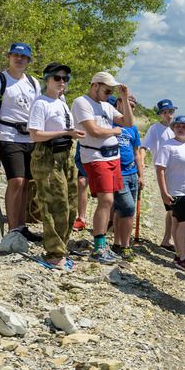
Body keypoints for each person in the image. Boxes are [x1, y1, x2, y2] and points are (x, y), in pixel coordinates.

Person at [71, 72, 135, 264]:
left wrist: (123, 98)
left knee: (110, 200)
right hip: (96, 157)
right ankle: (99, 247)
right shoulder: (81, 103)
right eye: (107, 90)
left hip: (113, 157)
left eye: (112, 91)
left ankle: (105, 244)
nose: (109, 94)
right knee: (106, 199)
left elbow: (129, 123)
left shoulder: (107, 105)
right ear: (95, 85)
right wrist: (115, 131)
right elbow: (94, 131)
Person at [27, 62, 85, 269]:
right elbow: (35, 134)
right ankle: (53, 254)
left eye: (65, 79)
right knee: (54, 206)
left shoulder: (61, 102)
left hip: (65, 155)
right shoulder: (41, 103)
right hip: (47, 156)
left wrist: (73, 133)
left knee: (70, 205)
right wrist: (65, 133)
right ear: (47, 80)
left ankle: (61, 249)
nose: (62, 82)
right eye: (57, 78)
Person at [0, 42, 41, 239]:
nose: (19, 59)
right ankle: (12, 229)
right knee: (15, 181)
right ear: (8, 57)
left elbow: (38, 111)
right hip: (8, 136)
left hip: (30, 138)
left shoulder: (34, 82)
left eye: (23, 56)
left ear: (29, 60)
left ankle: (21, 226)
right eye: (15, 55)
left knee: (26, 182)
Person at [155, 115, 185, 272]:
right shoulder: (167, 146)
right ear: (173, 128)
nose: (181, 128)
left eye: (184, 126)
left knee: (178, 222)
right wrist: (164, 192)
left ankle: (179, 254)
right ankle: (184, 258)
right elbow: (160, 170)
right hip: (175, 191)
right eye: (178, 126)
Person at [110, 94, 145, 260]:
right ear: (118, 103)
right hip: (117, 174)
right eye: (126, 104)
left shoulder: (133, 128)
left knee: (120, 210)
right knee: (129, 209)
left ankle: (117, 243)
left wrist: (141, 175)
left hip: (132, 174)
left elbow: (136, 152)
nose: (129, 108)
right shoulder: (110, 122)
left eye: (132, 106)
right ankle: (126, 245)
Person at [142, 98, 177, 251]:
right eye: (165, 112)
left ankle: (167, 239)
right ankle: (170, 239)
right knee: (171, 207)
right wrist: (141, 163)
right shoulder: (155, 129)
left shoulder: (176, 128)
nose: (168, 115)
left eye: (170, 112)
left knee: (172, 209)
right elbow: (144, 147)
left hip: (178, 172)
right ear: (160, 114)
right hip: (164, 172)